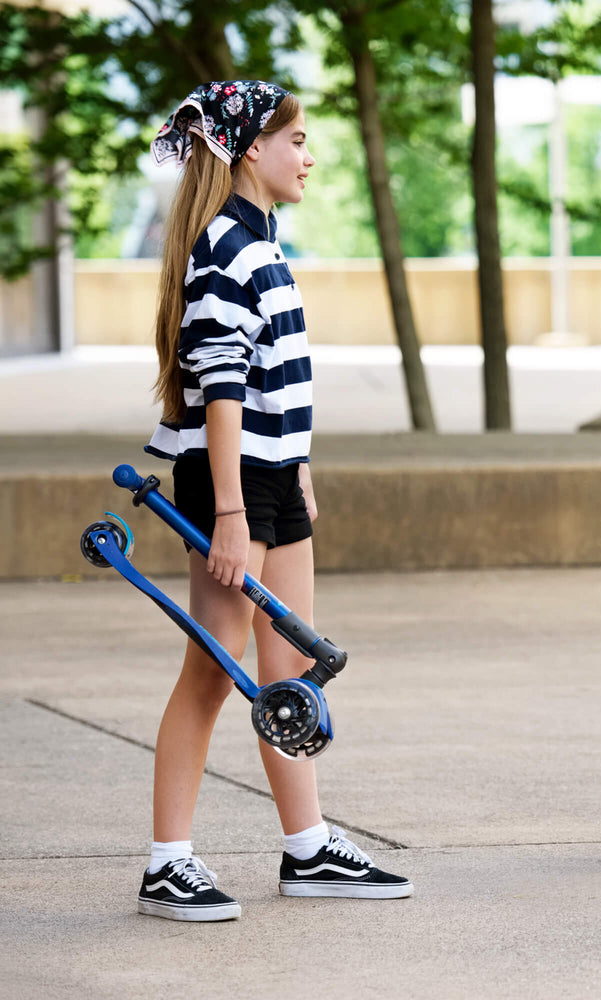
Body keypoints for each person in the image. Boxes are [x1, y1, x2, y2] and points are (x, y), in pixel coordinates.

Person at [137, 81, 411, 921]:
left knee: (287, 668)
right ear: (252, 147)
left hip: (272, 477)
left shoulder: (262, 241)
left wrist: (294, 469)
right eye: (297, 140)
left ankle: (307, 847)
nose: (309, 156)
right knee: (212, 673)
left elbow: (269, 382)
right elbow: (219, 390)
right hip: (233, 487)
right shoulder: (225, 248)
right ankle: (166, 863)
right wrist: (230, 511)